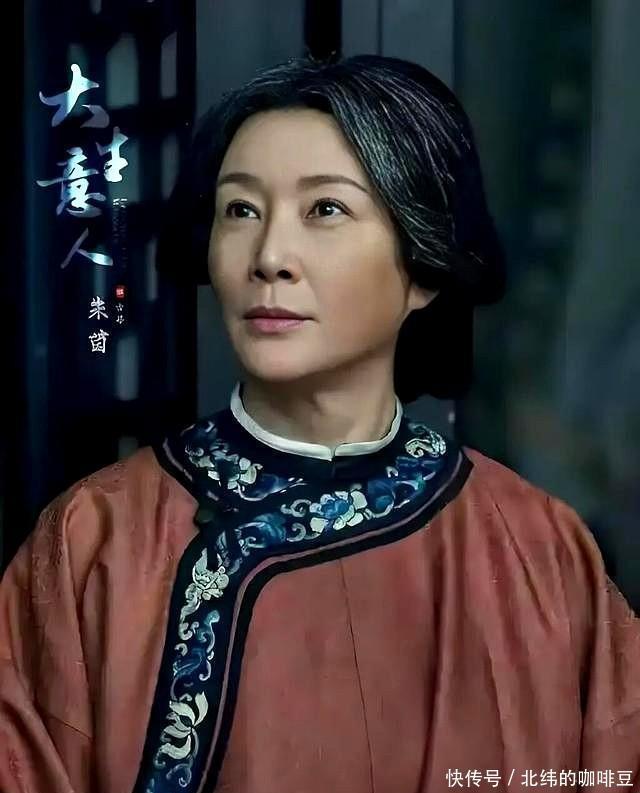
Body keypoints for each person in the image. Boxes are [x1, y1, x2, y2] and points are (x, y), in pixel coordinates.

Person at [1, 53, 638, 793]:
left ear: (424, 266)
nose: (270, 257)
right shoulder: (95, 539)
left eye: (325, 209)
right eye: (240, 210)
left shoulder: (538, 549)